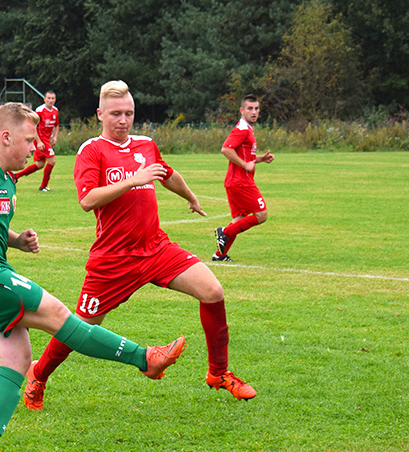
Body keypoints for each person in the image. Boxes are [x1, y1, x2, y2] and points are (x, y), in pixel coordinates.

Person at [0, 102, 187, 452]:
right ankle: (145, 359)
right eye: (30, 140)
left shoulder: (5, 178)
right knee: (58, 314)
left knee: (16, 358)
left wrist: (16, 239)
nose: (35, 148)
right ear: (5, 136)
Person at [23, 80, 257, 412]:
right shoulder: (91, 150)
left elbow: (166, 174)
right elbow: (87, 200)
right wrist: (133, 180)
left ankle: (218, 373)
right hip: (113, 259)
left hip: (156, 248)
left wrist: (190, 196)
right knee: (81, 328)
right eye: (116, 113)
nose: (123, 120)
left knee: (213, 291)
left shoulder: (146, 144)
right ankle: (39, 374)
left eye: (129, 113)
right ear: (100, 114)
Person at [212, 94, 274, 262]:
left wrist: (260, 159)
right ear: (242, 110)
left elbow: (245, 156)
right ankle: (224, 233)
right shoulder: (242, 130)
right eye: (250, 108)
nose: (254, 112)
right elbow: (226, 149)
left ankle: (219, 255)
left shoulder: (247, 129)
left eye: (256, 109)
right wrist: (245, 165)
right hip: (241, 182)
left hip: (234, 182)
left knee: (239, 219)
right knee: (261, 215)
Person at [16, 90, 58, 191]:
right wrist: (38, 141)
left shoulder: (55, 111)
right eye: (48, 98)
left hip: (46, 140)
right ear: (44, 99)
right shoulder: (39, 110)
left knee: (40, 165)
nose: (50, 100)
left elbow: (56, 125)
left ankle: (16, 176)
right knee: (52, 161)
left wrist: (55, 136)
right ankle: (43, 186)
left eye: (52, 98)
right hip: (41, 139)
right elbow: (33, 126)